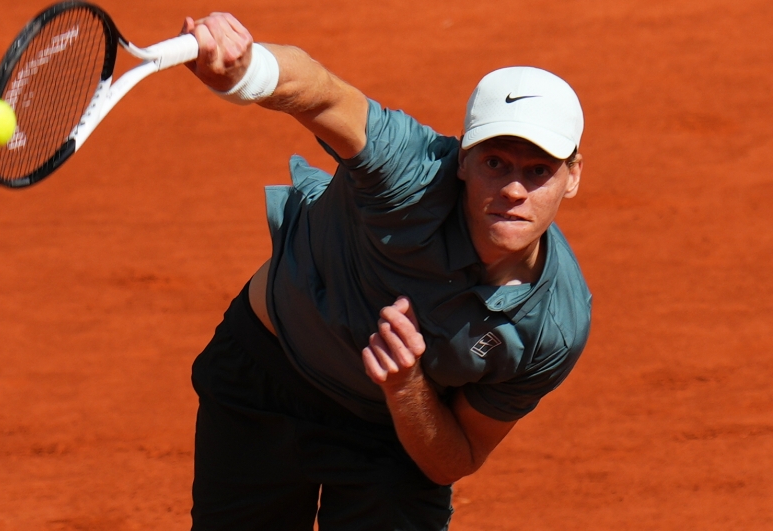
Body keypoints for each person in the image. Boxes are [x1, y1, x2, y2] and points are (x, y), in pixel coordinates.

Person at [181, 12, 591, 531]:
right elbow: (323, 93)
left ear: (572, 176)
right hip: (269, 380)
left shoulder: (553, 326)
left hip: (396, 432)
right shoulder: (408, 174)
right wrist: (247, 70)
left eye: (538, 171)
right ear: (463, 158)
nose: (513, 190)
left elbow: (456, 457)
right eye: (496, 163)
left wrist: (405, 389)